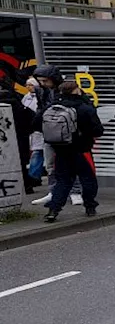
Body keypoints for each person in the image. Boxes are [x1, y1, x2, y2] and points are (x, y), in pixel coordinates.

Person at [43, 80, 102, 222]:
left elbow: (37, 123)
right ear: (77, 90)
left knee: (62, 181)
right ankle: (90, 206)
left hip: (61, 150)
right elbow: (98, 130)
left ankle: (53, 210)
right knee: (88, 179)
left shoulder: (52, 107)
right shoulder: (84, 107)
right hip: (82, 150)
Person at [29, 65, 82, 207]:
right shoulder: (42, 91)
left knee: (70, 162)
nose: (43, 84)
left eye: (45, 81)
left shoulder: (64, 89)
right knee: (50, 164)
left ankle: (75, 191)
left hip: (66, 131)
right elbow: (41, 108)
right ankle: (53, 191)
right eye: (41, 81)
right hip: (49, 130)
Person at [0, 74, 37, 194]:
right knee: (21, 162)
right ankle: (26, 185)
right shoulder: (18, 103)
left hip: (5, 138)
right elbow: (31, 118)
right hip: (21, 137)